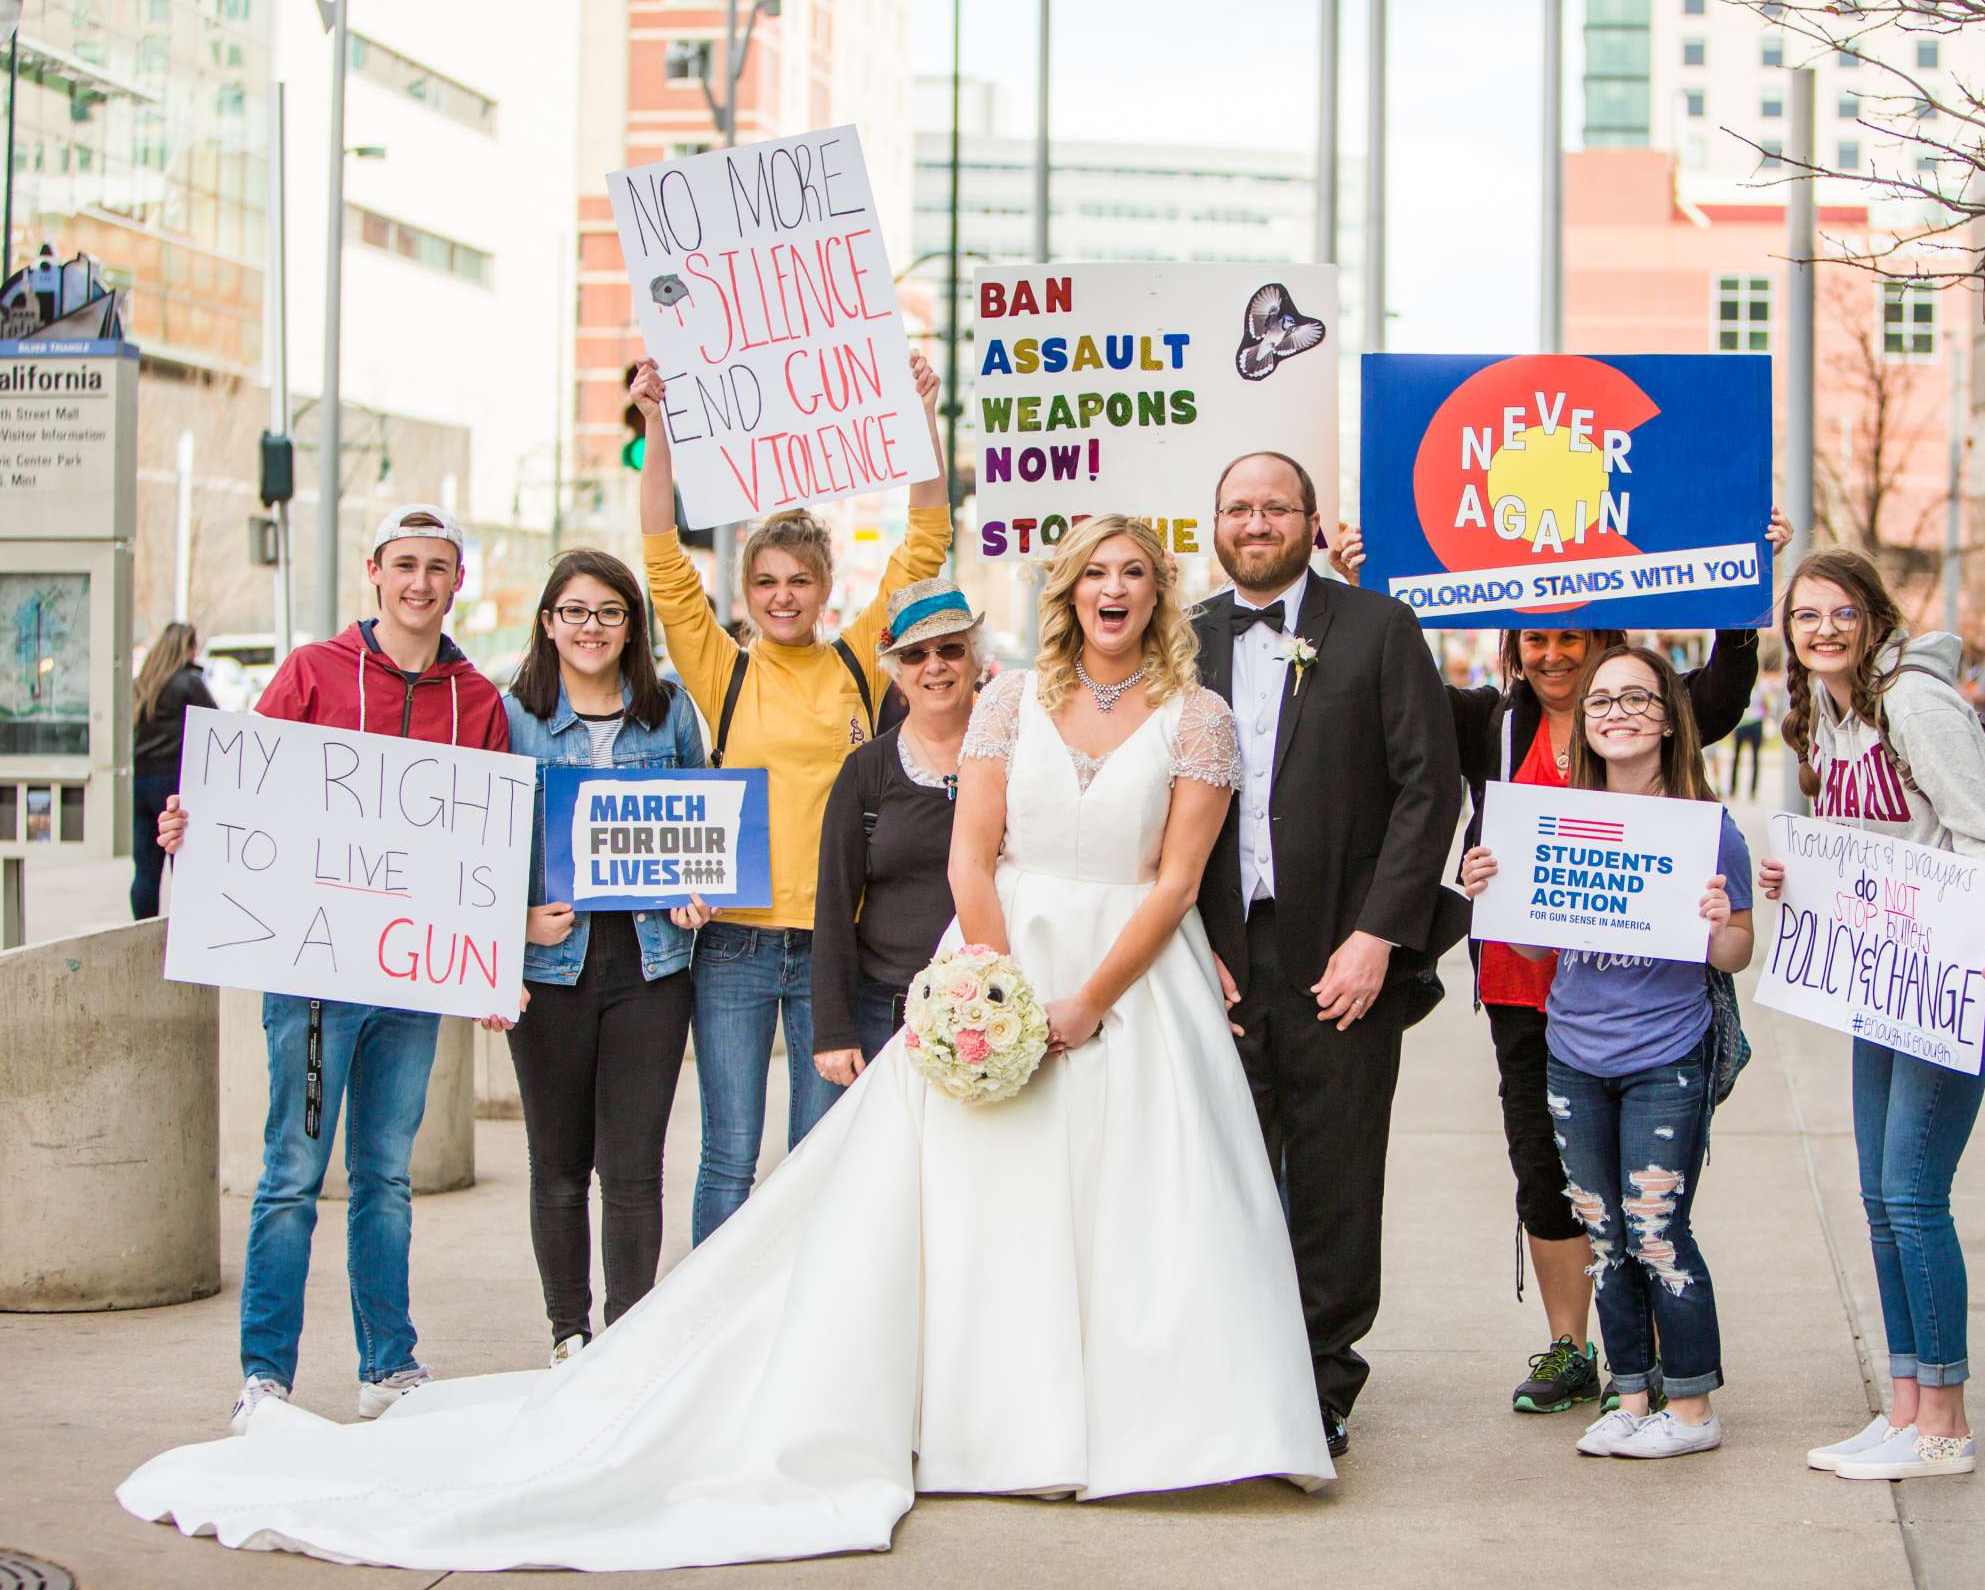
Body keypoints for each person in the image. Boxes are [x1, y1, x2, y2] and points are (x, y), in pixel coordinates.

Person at [118, 512, 1331, 1571]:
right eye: (1092, 572)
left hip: (1133, 988)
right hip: (993, 965)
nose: (1112, 588)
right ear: (1068, 591)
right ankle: (993, 1418)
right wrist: (1004, 987)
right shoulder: (1005, 702)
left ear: (1154, 591)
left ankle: (1156, 1420)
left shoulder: (1200, 716)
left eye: (1132, 571)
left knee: (1144, 1206)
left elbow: (1176, 880)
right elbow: (977, 850)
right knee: (973, 1213)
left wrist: (1085, 998)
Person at [1326, 508, 1787, 1417]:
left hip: (1638, 997)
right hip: (1521, 985)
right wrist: (1366, 586)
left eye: (1570, 637)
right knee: (1546, 1174)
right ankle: (1570, 1345)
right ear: (1515, 647)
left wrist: (1743, 584)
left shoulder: (1644, 716)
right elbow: (1399, 680)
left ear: (1602, 640)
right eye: (1536, 638)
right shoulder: (1487, 726)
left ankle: (1648, 1354)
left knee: (1633, 1189)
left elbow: (1727, 693)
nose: (1554, 655)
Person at [154, 505, 509, 1434]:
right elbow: (239, 793)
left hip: (413, 978)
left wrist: (493, 960)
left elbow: (495, 849)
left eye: (438, 567)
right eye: (404, 565)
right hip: (313, 979)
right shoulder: (313, 672)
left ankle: (387, 1365)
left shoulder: (479, 702)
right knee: (291, 1174)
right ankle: (265, 1376)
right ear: (374, 572)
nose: (420, 582)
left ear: (457, 581)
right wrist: (192, 828)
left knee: (386, 1175)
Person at [627, 351, 952, 1244]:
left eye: (799, 582)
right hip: (731, 945)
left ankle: (798, 1333)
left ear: (825, 590)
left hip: (833, 951)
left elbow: (924, 543)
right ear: (747, 589)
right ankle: (710, 1331)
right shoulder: (720, 670)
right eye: (766, 582)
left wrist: (921, 415)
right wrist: (657, 425)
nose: (782, 596)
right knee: (729, 1151)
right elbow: (662, 563)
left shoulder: (858, 659)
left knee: (820, 1151)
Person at [1193, 452, 1464, 1458]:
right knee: (1224, 1169)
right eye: (1239, 507)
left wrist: (1378, 934)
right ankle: (1235, 1370)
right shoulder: (1185, 639)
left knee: (1338, 1171)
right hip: (1220, 956)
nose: (1256, 522)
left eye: (1275, 506)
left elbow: (1426, 788)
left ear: (1311, 521)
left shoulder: (1379, 628)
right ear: (1216, 523)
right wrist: (1186, 948)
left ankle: (1322, 1378)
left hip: (1344, 954)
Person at [1765, 548, 1985, 1482]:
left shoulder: (1916, 706)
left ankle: (1947, 1428)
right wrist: (1793, 875)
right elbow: (1867, 850)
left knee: (1916, 1196)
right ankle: (1907, 1407)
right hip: (1886, 975)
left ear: (1874, 617)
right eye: (1807, 617)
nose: (1825, 630)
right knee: (1882, 1199)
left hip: (1961, 973)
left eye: (1841, 612)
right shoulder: (1832, 717)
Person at [1458, 644, 1755, 1459]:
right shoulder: (1553, 818)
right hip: (1573, 1055)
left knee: (1657, 1228)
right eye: (1602, 702)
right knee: (1603, 1229)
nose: (1617, 713)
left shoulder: (1704, 823)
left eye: (1637, 699)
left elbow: (1736, 953)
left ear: (1669, 718)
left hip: (1667, 1054)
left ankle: (1691, 1407)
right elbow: (1527, 937)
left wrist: (1719, 920)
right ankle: (1628, 1394)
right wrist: (1491, 887)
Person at [488, 549, 715, 1368]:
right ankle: (569, 1336)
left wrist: (700, 890)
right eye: (575, 612)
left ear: (632, 625)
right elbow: (479, 847)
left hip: (652, 968)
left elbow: (707, 827)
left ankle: (630, 1335)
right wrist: (513, 925)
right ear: (548, 623)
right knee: (556, 1163)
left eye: (610, 612)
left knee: (633, 1166)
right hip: (550, 971)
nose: (592, 628)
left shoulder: (670, 713)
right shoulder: (509, 718)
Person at [809, 576, 984, 1087]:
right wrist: (833, 1030)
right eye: (915, 655)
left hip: (992, 1004)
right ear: (897, 674)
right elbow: (835, 904)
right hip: (885, 1009)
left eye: (950, 649)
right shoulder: (866, 770)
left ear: (975, 659)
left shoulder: (1015, 754)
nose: (935, 666)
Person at [129, 621, 216, 920]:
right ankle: (187, 931)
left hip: (140, 779)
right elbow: (216, 726)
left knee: (145, 869)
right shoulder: (188, 682)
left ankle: (141, 930)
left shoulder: (144, 682)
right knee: (183, 861)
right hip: (174, 780)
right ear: (188, 647)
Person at [1726, 670, 1771, 800]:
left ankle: (1752, 791)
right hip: (1741, 724)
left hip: (1756, 724)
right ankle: (1733, 789)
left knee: (1755, 758)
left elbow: (1766, 706)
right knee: (1735, 757)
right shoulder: (1739, 684)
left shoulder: (1761, 686)